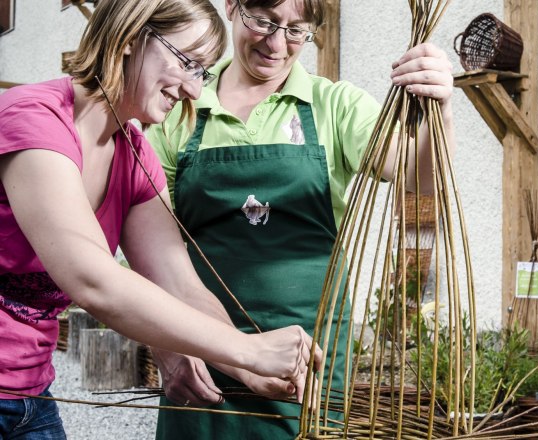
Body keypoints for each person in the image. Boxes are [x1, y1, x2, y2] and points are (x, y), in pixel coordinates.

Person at [0, 1, 322, 438]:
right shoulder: (33, 120)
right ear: (132, 37)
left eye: (203, 73)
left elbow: (181, 284)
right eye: (188, 63)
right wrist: (248, 350)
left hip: (30, 394)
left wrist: (246, 369)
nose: (193, 90)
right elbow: (92, 280)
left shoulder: (134, 153)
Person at [147, 0, 456, 437]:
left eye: (297, 30)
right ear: (232, 7)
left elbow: (417, 175)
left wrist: (439, 108)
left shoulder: (335, 105)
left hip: (310, 362)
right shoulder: (183, 101)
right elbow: (150, 245)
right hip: (202, 349)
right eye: (264, 22)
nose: (277, 44)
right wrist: (166, 345)